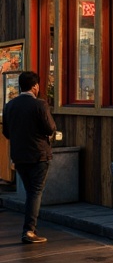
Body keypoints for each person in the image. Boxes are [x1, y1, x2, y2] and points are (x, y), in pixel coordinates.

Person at [2, 70, 57, 243]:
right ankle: (29, 231)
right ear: (35, 86)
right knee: (35, 193)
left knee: (30, 192)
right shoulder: (40, 105)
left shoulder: (10, 105)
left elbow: (6, 132)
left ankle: (29, 229)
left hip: (19, 156)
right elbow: (50, 128)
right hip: (38, 155)